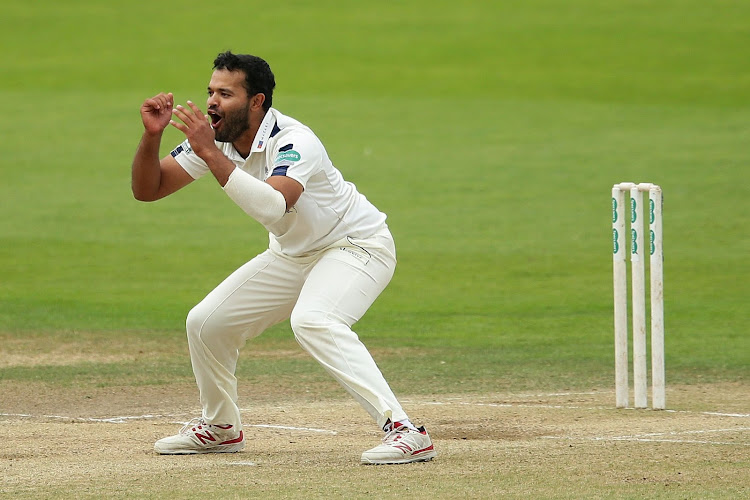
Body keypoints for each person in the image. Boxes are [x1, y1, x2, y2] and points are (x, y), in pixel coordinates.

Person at [130, 51, 436, 465]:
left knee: (313, 320)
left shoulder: (295, 140)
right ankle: (221, 427)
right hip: (294, 253)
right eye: (210, 92)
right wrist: (152, 137)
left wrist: (209, 153)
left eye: (226, 93)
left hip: (357, 245)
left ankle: (404, 430)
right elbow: (149, 189)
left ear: (256, 102)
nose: (212, 103)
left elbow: (275, 206)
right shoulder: (215, 139)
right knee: (206, 323)